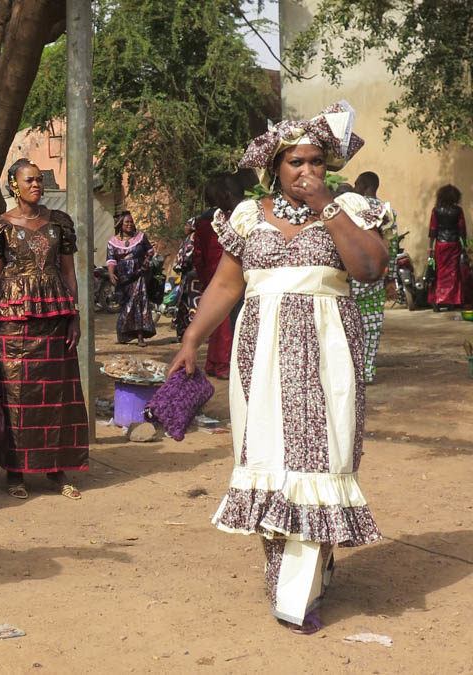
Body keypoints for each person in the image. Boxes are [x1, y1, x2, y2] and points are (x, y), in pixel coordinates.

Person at [168, 101, 386, 634]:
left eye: (315, 161)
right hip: (259, 353)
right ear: (275, 167)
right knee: (268, 459)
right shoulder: (247, 216)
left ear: (327, 165)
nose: (306, 171)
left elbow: (371, 269)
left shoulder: (351, 208)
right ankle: (287, 580)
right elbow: (226, 284)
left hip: (328, 349)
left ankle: (303, 583)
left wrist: (328, 208)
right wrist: (192, 337)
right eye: (295, 163)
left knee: (321, 459)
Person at [0, 159, 89, 500]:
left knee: (58, 395)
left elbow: (69, 273)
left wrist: (76, 314)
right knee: (16, 396)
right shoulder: (0, 227)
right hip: (11, 323)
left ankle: (58, 470)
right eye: (29, 180)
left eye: (40, 180)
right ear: (14, 185)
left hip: (55, 317)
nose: (36, 185)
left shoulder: (60, 223)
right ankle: (16, 472)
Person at [193, 175, 245, 379]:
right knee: (225, 323)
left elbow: (199, 254)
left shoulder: (203, 220)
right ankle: (223, 364)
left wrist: (204, 277)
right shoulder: (235, 218)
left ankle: (214, 362)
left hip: (211, 274)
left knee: (216, 321)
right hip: (231, 275)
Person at [349, 171, 396, 382]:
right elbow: (391, 247)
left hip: (349, 277)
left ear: (361, 185)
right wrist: (390, 278)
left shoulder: (348, 207)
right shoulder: (386, 211)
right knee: (372, 326)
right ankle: (367, 371)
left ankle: (351, 370)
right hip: (375, 277)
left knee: (349, 326)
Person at [106, 211, 156, 346]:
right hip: (123, 278)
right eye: (126, 222)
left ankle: (140, 336)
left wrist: (146, 261)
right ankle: (125, 334)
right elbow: (111, 260)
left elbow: (150, 251)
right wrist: (111, 274)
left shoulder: (140, 237)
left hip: (139, 274)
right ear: (120, 225)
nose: (129, 224)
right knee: (126, 304)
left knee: (139, 302)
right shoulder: (113, 242)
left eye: (131, 222)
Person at [427, 184, 467, 310]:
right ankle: (451, 301)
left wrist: (430, 247)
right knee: (452, 273)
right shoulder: (458, 211)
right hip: (454, 244)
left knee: (439, 272)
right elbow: (462, 229)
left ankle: (437, 301)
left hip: (440, 244)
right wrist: (464, 244)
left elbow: (433, 228)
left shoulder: (436, 210)